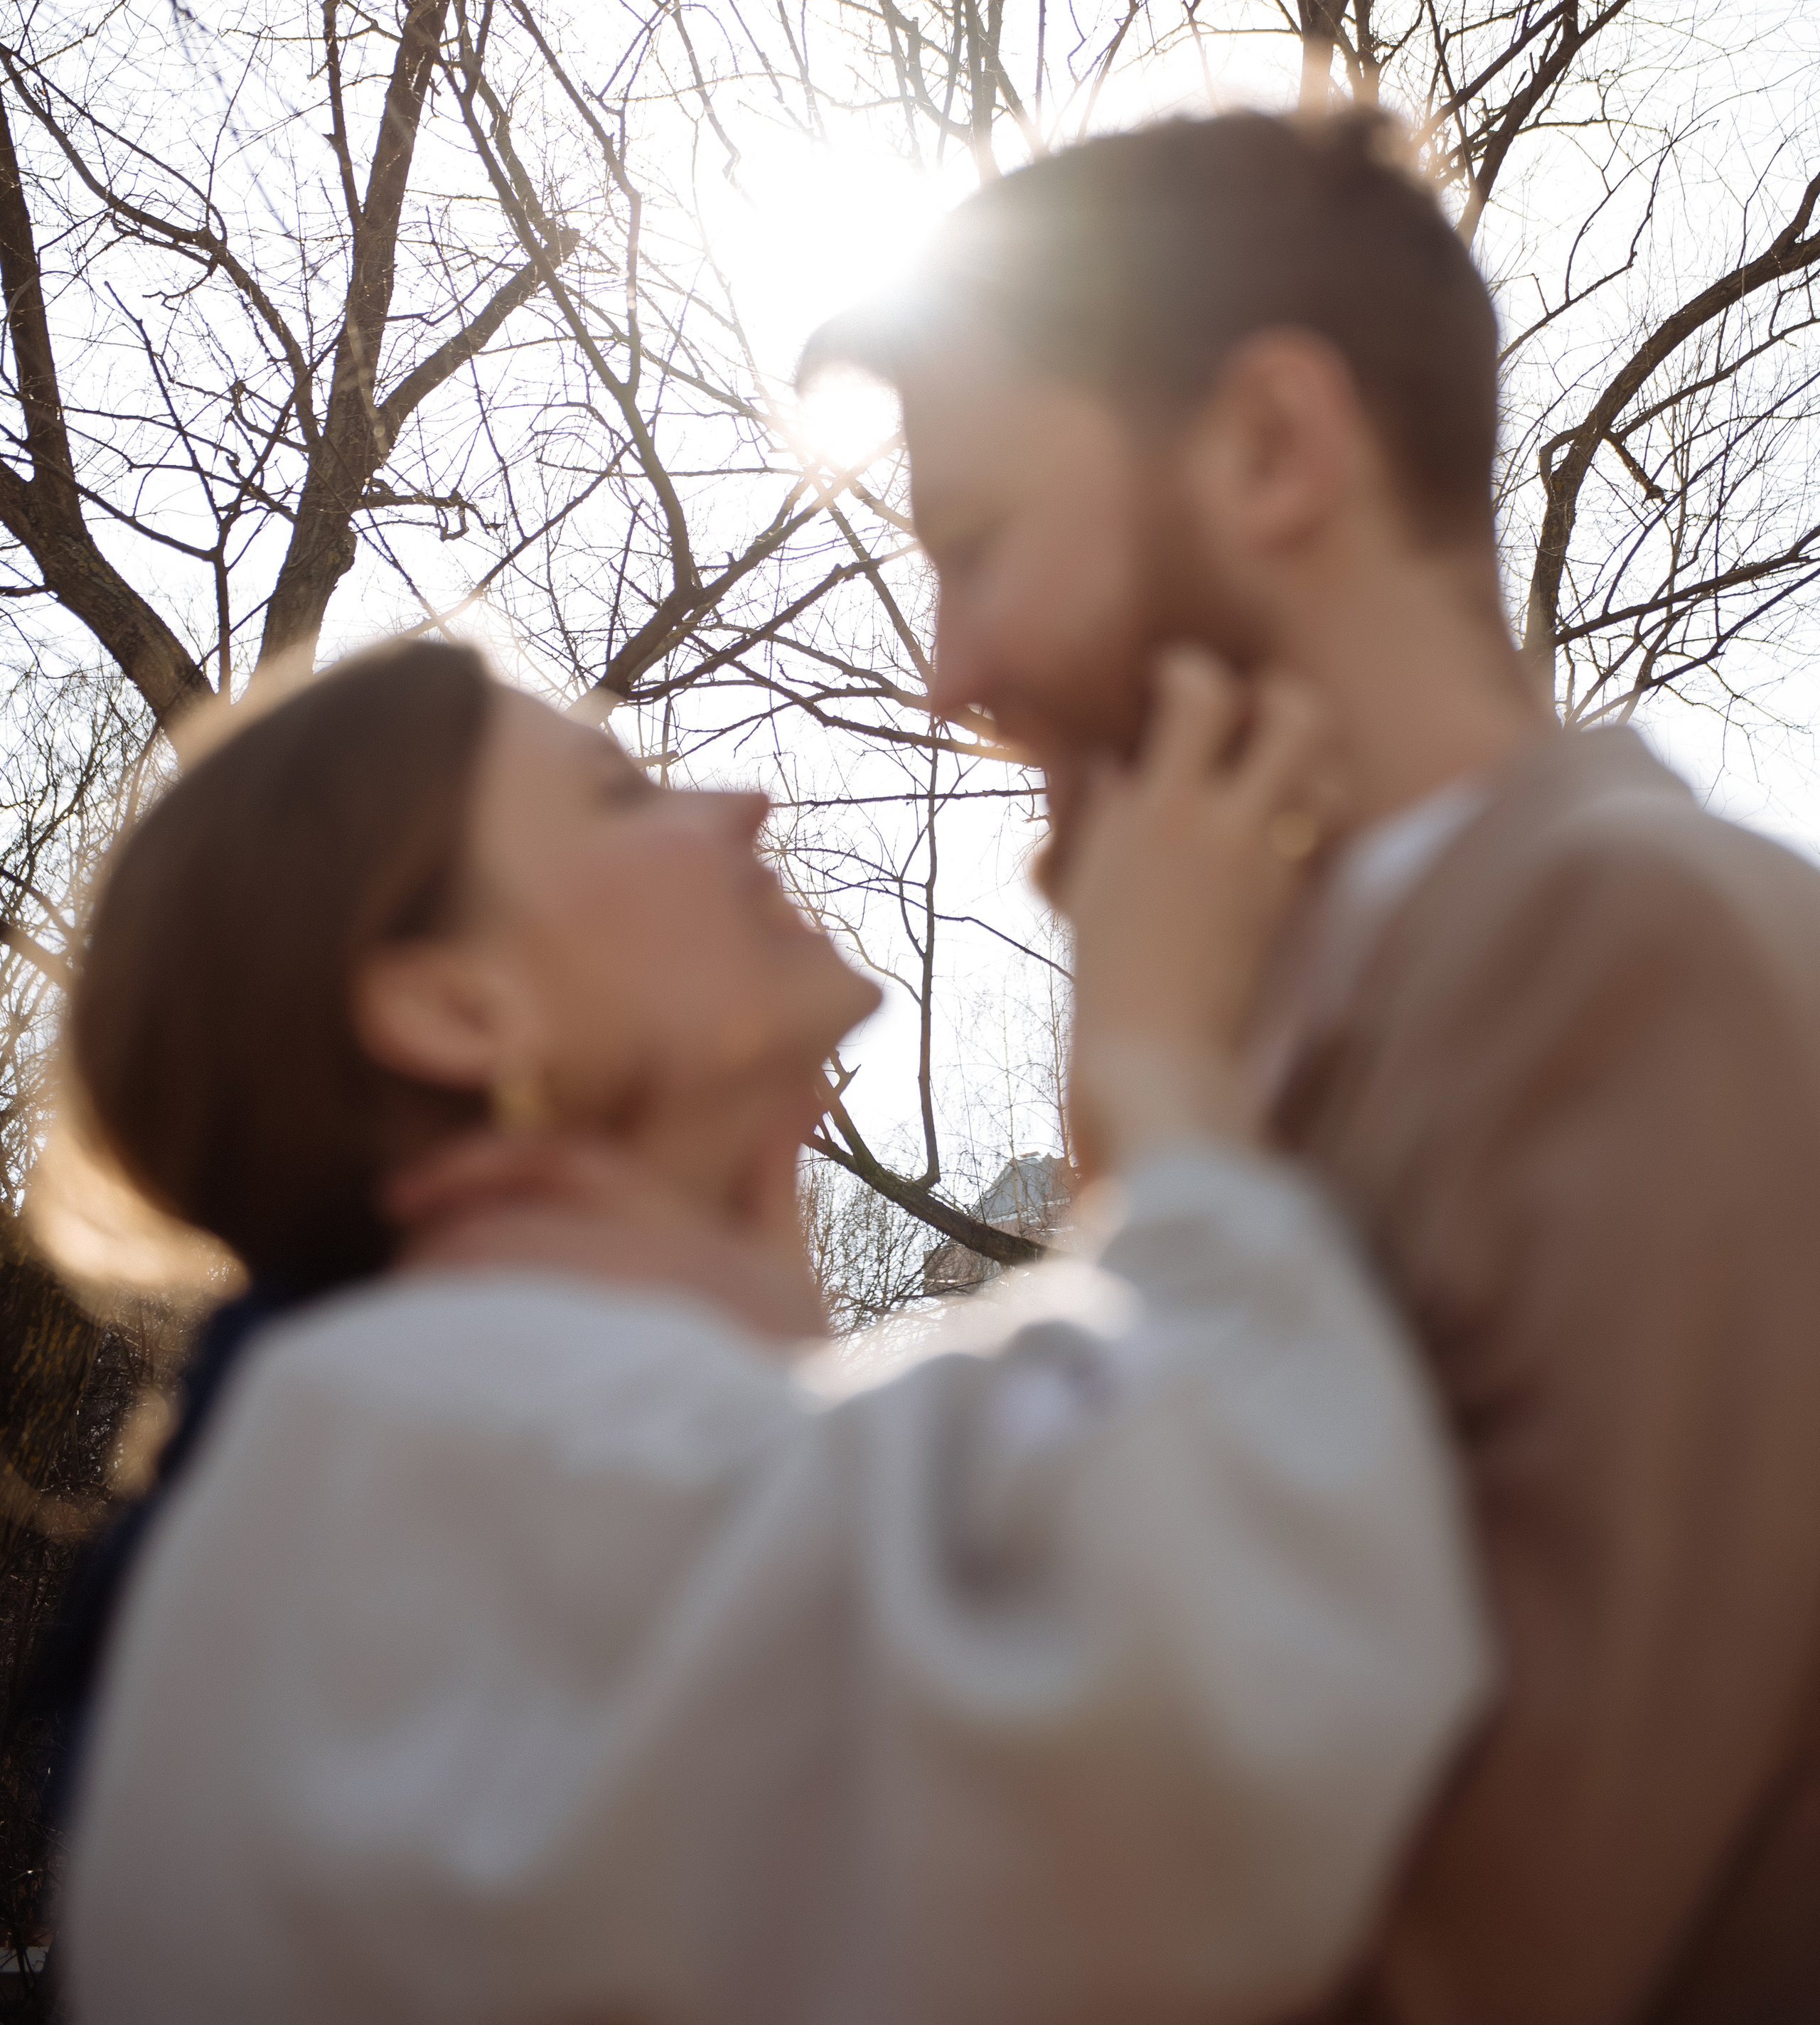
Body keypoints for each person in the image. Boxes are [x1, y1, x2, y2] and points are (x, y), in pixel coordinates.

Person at [58, 634, 1489, 2025]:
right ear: (455, 1007)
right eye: (619, 794)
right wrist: (1163, 1065)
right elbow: (1221, 1701)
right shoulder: (402, 1458)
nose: (742, 802)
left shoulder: (446, 1448)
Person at [801, 105, 1820, 2025]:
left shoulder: (1643, 957)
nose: (948, 672)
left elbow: (1474, 1955)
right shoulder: (1241, 1060)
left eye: (981, 542)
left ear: (1274, 447)